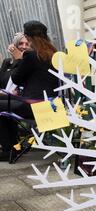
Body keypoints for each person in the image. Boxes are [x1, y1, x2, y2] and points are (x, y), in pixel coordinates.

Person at [0, 21, 59, 162]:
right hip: (53, 105)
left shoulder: (31, 56)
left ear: (28, 37)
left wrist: (20, 59)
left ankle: (9, 149)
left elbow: (17, 78)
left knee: (2, 105)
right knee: (4, 104)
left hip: (34, 106)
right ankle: (14, 145)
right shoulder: (55, 54)